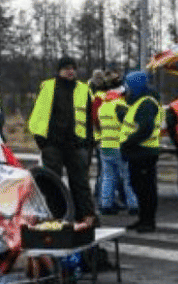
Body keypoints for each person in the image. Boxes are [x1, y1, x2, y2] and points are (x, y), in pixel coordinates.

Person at [28, 56, 97, 222]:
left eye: (73, 68)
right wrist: (42, 141)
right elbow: (38, 114)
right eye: (66, 68)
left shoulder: (83, 89)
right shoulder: (48, 87)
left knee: (80, 182)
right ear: (59, 71)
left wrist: (89, 143)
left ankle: (86, 217)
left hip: (76, 143)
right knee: (53, 183)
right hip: (53, 144)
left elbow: (90, 118)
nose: (70, 71)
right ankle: (57, 216)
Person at [119, 70, 163, 233]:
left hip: (143, 152)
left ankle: (148, 221)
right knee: (139, 186)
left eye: (128, 86)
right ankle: (143, 218)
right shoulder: (139, 102)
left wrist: (128, 143)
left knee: (146, 188)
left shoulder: (146, 103)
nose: (126, 90)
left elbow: (145, 128)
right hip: (138, 152)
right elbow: (137, 124)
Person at [95, 72, 138, 216]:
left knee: (108, 177)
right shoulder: (120, 107)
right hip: (119, 147)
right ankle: (133, 205)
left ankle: (105, 204)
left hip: (105, 146)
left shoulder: (103, 107)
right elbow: (130, 126)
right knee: (128, 177)